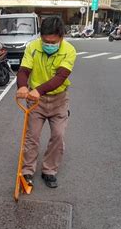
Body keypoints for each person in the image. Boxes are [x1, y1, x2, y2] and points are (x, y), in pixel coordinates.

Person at [16, 16, 77, 189]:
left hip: (59, 100)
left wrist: (39, 90)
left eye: (53, 41)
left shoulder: (69, 50)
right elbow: (24, 70)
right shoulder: (33, 47)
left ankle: (49, 171)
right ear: (40, 36)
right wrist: (22, 86)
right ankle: (27, 171)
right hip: (36, 102)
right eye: (45, 40)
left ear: (61, 38)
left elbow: (61, 77)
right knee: (32, 136)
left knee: (58, 135)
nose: (48, 44)